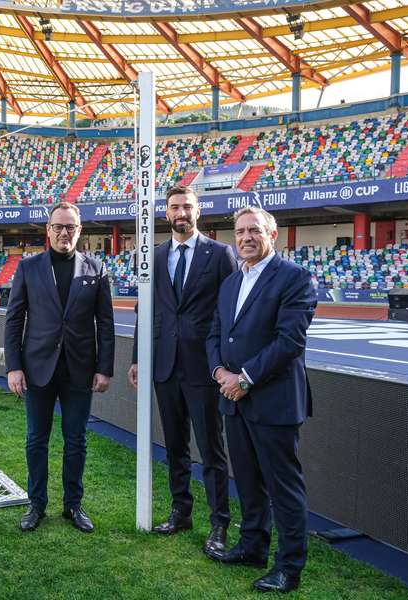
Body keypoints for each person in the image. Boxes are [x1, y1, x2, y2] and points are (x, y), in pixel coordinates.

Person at [205, 206, 317, 594]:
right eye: (240, 232)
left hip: (272, 401)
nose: (246, 237)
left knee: (283, 487)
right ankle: (252, 547)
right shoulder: (232, 282)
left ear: (273, 234)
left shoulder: (295, 278)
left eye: (254, 230)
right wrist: (219, 372)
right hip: (232, 398)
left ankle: (289, 567)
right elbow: (215, 334)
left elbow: (290, 341)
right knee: (249, 482)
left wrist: (245, 378)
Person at [128, 185, 237, 553]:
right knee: (175, 446)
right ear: (166, 213)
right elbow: (147, 310)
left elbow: (231, 311)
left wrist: (225, 363)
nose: (181, 213)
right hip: (164, 365)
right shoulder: (155, 256)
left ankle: (219, 523)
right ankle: (181, 511)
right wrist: (137, 357)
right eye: (175, 207)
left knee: (211, 450)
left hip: (204, 369)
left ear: (198, 211)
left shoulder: (221, 254)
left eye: (187, 207)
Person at [4, 201, 115, 534]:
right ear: (47, 230)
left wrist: (104, 368)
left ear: (79, 230)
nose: (64, 232)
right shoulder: (28, 267)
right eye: (58, 226)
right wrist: (14, 367)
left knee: (76, 440)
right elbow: (14, 320)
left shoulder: (96, 268)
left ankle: (72, 505)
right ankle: (36, 504)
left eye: (71, 227)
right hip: (38, 367)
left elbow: (105, 324)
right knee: (36, 439)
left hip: (80, 370)